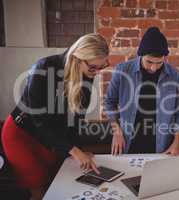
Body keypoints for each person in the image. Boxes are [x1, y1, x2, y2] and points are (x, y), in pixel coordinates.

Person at [1, 33, 110, 199]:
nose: (97, 72)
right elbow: (40, 122)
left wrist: (78, 150)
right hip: (22, 134)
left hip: (52, 134)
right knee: (39, 188)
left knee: (56, 180)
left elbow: (76, 119)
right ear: (78, 58)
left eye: (101, 67)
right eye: (93, 67)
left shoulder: (87, 73)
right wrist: (73, 150)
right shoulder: (44, 68)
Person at [104, 27, 179, 155]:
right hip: (128, 142)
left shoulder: (175, 76)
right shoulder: (122, 71)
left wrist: (177, 142)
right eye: (149, 62)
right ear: (140, 54)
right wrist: (117, 132)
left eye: (159, 63)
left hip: (162, 145)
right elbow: (110, 102)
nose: (153, 68)